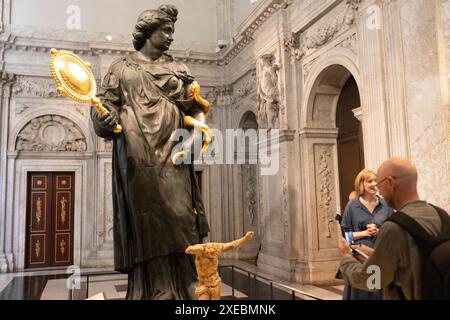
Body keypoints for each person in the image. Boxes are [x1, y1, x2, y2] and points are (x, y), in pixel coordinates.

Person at [90, 5, 210, 300]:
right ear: (148, 31)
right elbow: (105, 108)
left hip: (174, 153)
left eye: (172, 31)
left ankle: (187, 282)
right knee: (149, 220)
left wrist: (198, 131)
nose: (170, 36)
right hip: (136, 154)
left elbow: (195, 108)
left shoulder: (178, 70)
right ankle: (156, 288)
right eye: (165, 30)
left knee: (182, 214)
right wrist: (104, 119)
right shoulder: (121, 68)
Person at [339, 157, 449, 299]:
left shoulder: (394, 228)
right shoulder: (442, 215)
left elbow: (373, 281)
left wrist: (346, 259)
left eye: (379, 184)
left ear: (390, 182)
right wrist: (372, 253)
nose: (379, 190)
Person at [340, 169, 393, 300]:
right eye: (370, 181)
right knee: (362, 293)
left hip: (381, 256)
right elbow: (345, 236)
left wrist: (380, 232)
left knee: (378, 292)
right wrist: (364, 233)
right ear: (361, 184)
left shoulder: (386, 204)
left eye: (376, 180)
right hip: (360, 258)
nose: (374, 184)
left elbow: (394, 231)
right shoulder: (352, 206)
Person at [185, 231, 254, 300]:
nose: (212, 255)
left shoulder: (217, 247)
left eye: (213, 253)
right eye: (209, 253)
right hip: (204, 285)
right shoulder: (201, 251)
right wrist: (199, 248)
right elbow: (188, 250)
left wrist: (246, 238)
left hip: (215, 283)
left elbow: (233, 244)